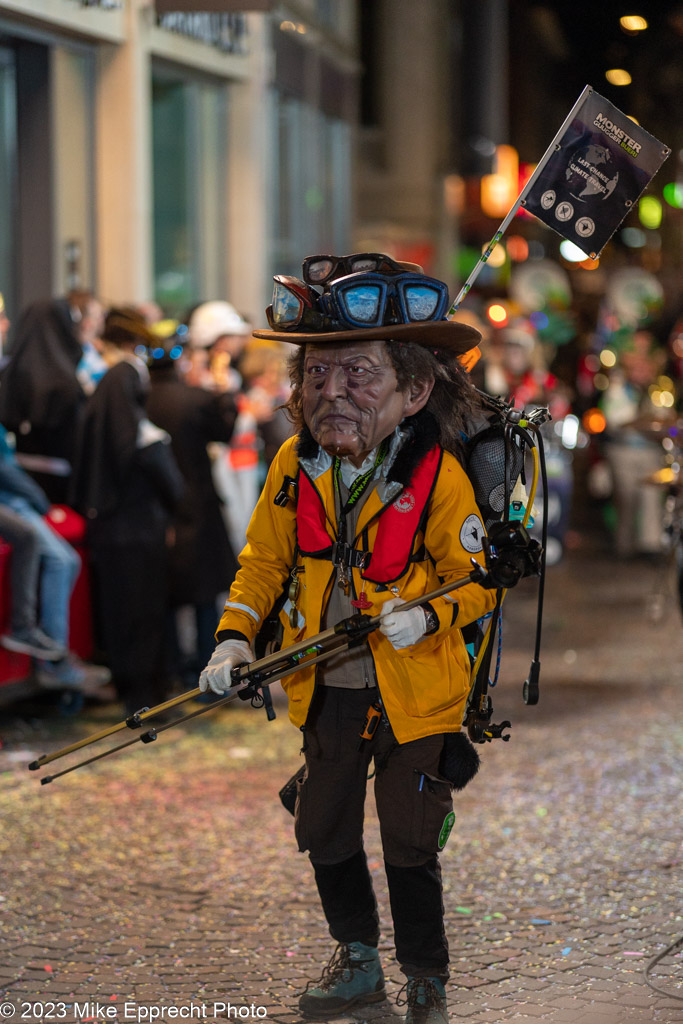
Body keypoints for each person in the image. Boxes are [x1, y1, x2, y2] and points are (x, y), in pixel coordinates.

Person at [198, 255, 495, 1023]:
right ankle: (358, 958)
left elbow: (475, 578)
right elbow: (262, 562)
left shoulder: (439, 477)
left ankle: (425, 975)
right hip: (325, 685)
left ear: (414, 390)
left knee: (408, 837)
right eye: (317, 376)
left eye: (359, 375)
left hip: (416, 692)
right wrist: (233, 642)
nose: (332, 394)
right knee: (323, 824)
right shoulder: (294, 466)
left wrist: (425, 614)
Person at [70, 308, 184, 714]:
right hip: (138, 530)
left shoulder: (107, 409)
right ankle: (143, 695)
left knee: (125, 614)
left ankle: (138, 690)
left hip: (117, 528)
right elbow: (170, 484)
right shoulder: (140, 435)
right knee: (140, 614)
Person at [145, 332, 240, 681]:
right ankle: (208, 664)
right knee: (205, 594)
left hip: (155, 507)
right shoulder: (196, 399)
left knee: (165, 593)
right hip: (197, 502)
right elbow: (225, 432)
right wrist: (224, 392)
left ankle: (172, 668)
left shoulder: (139, 400)